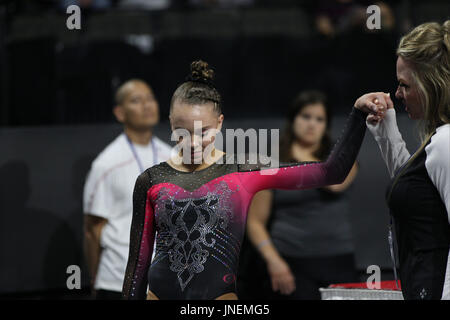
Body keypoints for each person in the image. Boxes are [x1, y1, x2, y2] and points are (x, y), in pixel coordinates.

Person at [122, 60, 385, 300]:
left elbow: (331, 172)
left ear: (220, 123)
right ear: (170, 123)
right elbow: (137, 265)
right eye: (182, 132)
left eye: (204, 132)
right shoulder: (151, 180)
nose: (192, 142)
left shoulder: (243, 170)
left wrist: (359, 115)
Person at [244, 90, 359, 300]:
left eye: (319, 119)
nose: (312, 124)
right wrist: (274, 261)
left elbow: (334, 183)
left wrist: (297, 160)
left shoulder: (340, 159)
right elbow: (254, 222)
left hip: (339, 258)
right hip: (290, 260)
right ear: (293, 119)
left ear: (327, 125)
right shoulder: (270, 163)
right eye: (306, 116)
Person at [366, 21, 450, 299]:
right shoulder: (441, 138)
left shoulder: (447, 141)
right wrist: (386, 132)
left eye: (404, 85)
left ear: (433, 84)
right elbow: (417, 195)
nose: (398, 94)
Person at [83, 79, 172, 299]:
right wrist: (95, 278)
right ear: (120, 113)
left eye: (150, 98)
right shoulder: (106, 163)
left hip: (165, 281)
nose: (147, 105)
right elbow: (93, 230)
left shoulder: (173, 157)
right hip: (118, 281)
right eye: (136, 100)